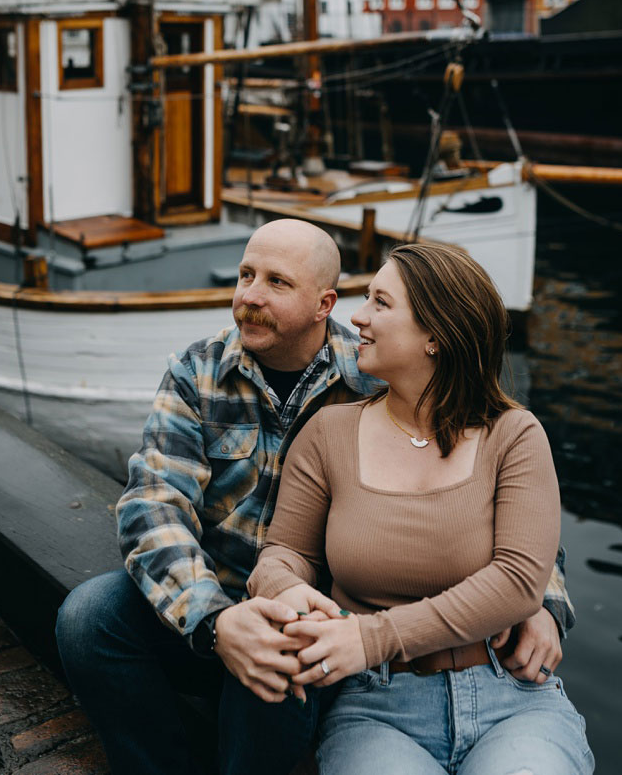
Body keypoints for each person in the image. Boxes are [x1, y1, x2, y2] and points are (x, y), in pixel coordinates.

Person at [55, 219, 574, 775]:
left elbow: (504, 517)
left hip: (320, 622)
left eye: (276, 282)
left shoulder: (383, 372)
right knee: (89, 619)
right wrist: (217, 620)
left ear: (324, 302)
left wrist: (544, 604)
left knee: (287, 649)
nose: (249, 296)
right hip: (221, 594)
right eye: (245, 274)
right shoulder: (196, 373)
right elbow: (153, 507)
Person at [249, 241, 594, 774]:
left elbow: (521, 578)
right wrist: (289, 591)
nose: (357, 317)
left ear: (436, 334)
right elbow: (282, 554)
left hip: (511, 697)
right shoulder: (328, 432)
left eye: (380, 303)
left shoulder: (514, 435)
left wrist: (370, 636)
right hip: (374, 706)